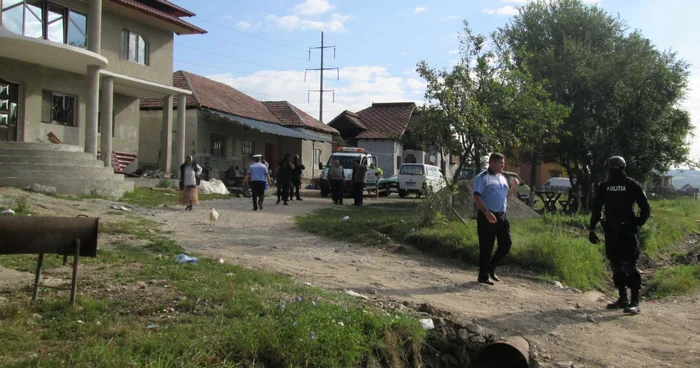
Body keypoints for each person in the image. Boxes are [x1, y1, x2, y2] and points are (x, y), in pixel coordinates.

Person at [588, 156, 650, 315]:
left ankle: (635, 302)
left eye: (614, 168)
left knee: (630, 265)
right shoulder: (605, 186)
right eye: (610, 168)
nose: (612, 171)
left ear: (621, 168)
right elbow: (597, 208)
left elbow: (645, 209)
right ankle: (622, 299)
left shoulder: (631, 185)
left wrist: (635, 225)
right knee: (615, 265)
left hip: (627, 231)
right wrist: (592, 229)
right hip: (611, 231)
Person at [472, 153, 519, 285]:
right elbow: (476, 196)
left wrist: (514, 188)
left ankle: (491, 267)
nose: (502, 166)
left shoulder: (502, 178)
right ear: (492, 163)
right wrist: (486, 212)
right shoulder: (482, 177)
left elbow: (505, 195)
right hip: (487, 216)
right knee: (486, 246)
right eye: (500, 163)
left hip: (501, 216)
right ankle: (483, 275)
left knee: (506, 244)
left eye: (503, 163)